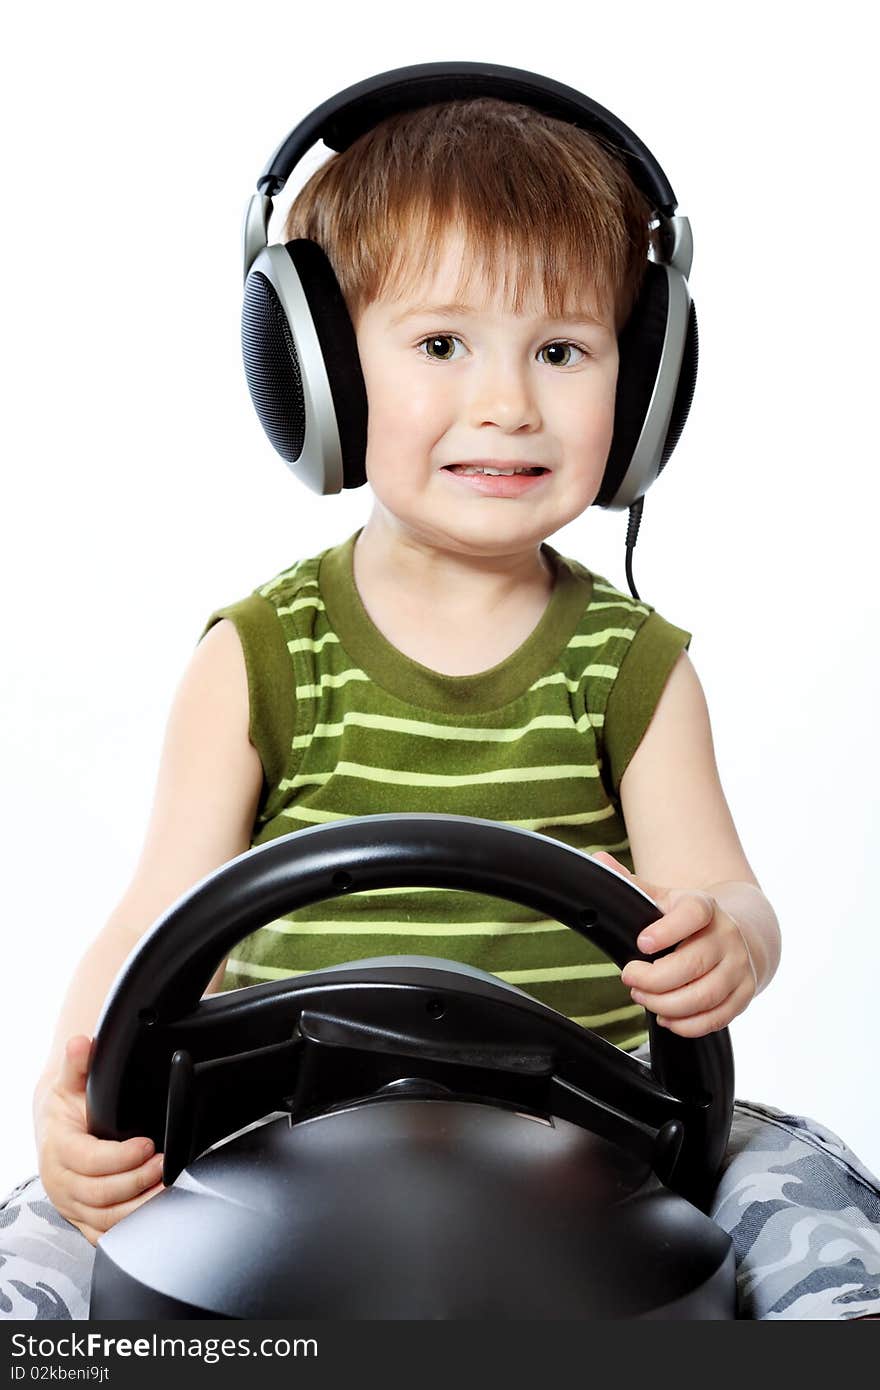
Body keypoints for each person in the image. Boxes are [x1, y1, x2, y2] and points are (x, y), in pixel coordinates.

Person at [3, 82, 879, 1323]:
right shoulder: (259, 654)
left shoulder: (633, 667)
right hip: (274, 1127)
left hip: (597, 1128)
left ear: (639, 394)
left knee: (818, 1204)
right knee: (33, 1247)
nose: (509, 403)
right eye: (438, 345)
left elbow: (725, 891)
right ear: (317, 377)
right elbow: (153, 924)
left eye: (562, 352)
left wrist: (728, 938)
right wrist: (72, 1093)